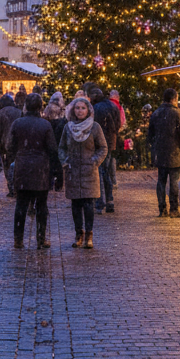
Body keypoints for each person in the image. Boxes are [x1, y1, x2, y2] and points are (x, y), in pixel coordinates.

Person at [7, 93, 60, 249]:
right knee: (41, 205)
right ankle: (41, 238)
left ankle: (18, 239)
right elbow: (52, 149)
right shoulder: (45, 125)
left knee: (21, 204)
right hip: (40, 169)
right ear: (40, 107)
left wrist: (17, 156)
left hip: (22, 166)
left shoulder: (17, 123)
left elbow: (10, 146)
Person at [58, 96, 107, 249]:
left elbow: (103, 147)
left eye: (83, 108)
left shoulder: (95, 127)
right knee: (76, 205)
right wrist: (65, 161)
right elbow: (61, 147)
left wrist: (95, 161)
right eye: (77, 108)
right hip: (73, 171)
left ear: (88, 110)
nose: (80, 111)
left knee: (88, 204)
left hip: (89, 171)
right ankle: (79, 233)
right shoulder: (68, 127)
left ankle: (89, 235)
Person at [147, 88, 180, 217]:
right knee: (174, 182)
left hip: (160, 153)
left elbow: (150, 135)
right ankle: (174, 209)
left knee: (161, 181)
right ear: (174, 99)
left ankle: (162, 208)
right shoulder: (178, 113)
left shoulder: (156, 113)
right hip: (175, 153)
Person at [90, 87, 121, 213]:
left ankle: (100, 202)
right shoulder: (113, 106)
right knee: (106, 171)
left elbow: (95, 127)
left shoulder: (96, 108)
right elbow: (118, 124)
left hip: (100, 143)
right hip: (110, 142)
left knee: (100, 171)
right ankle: (110, 200)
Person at [0, 92, 23, 199]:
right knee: (17, 164)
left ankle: (11, 187)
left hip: (4, 143)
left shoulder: (0, 113)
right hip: (18, 142)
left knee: (7, 166)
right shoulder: (18, 112)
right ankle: (18, 186)